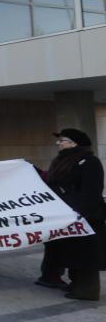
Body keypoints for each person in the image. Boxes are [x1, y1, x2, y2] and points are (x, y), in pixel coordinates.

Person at [38, 129, 104, 301]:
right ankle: (77, 285)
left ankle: (87, 290)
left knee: (85, 256)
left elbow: (91, 191)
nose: (58, 143)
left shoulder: (89, 162)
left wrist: (80, 213)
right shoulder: (63, 161)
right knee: (74, 254)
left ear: (74, 143)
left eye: (63, 140)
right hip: (67, 215)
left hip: (84, 217)